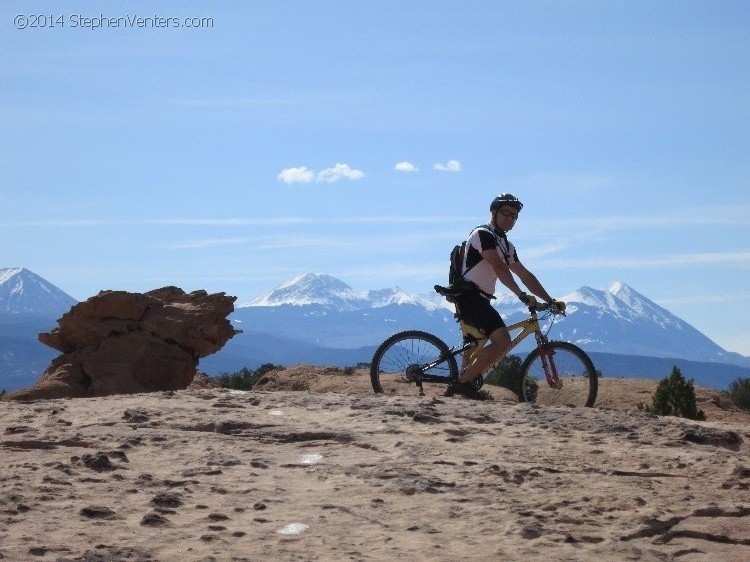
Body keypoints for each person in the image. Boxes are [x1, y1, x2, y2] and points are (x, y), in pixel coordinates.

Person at [446, 193, 565, 398]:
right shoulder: (482, 234)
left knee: (473, 348)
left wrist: (549, 300)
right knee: (502, 341)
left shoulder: (506, 245)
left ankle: (459, 393)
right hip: (469, 296)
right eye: (506, 214)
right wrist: (521, 295)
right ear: (494, 212)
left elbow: (524, 274)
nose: (510, 219)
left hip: (480, 299)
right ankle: (462, 383)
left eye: (514, 217)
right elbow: (500, 268)